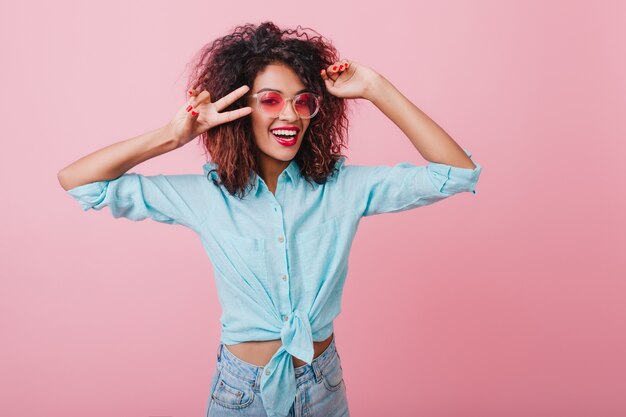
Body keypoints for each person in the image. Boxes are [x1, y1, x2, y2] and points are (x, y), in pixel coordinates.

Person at [58, 21, 482, 417]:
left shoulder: (342, 187)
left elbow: (456, 173)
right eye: (271, 100)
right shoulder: (208, 196)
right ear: (241, 108)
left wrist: (374, 87)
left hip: (323, 385)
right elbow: (80, 182)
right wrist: (173, 136)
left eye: (303, 101)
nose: (290, 115)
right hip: (241, 391)